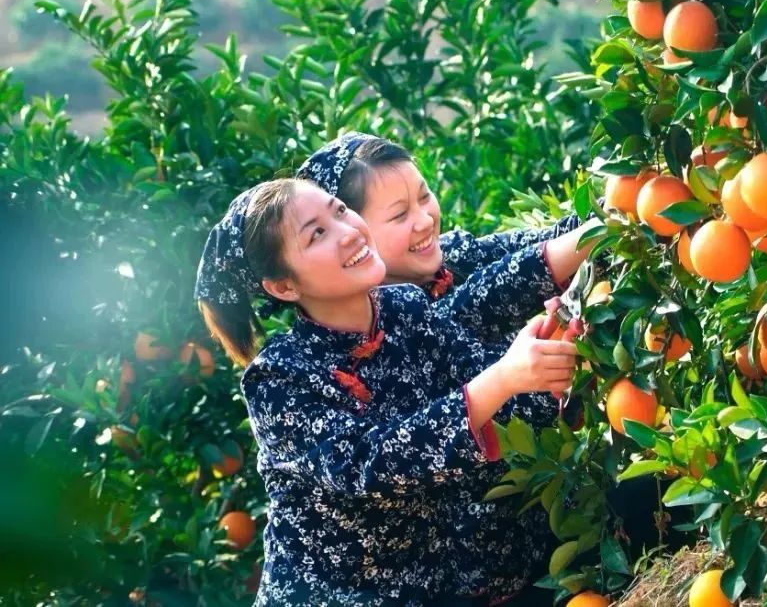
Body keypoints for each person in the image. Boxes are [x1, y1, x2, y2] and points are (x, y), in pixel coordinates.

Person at [195, 178, 590, 606]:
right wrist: (506, 376)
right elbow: (373, 463)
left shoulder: (404, 308)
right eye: (317, 234)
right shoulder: (279, 379)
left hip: (434, 588)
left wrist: (553, 348)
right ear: (284, 287)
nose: (349, 231)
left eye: (340, 211)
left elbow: (485, 376)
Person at [295, 133, 589, 344]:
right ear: (354, 229)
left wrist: (615, 201)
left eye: (424, 197)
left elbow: (545, 238)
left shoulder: (452, 255)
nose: (424, 220)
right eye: (399, 216)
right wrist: (598, 232)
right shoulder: (388, 323)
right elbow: (492, 292)